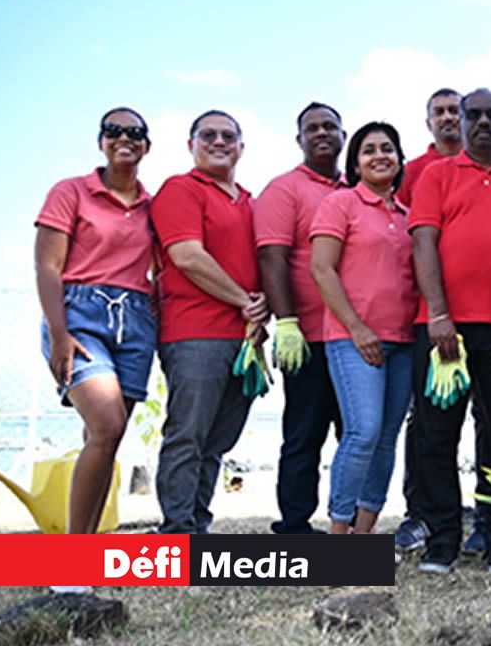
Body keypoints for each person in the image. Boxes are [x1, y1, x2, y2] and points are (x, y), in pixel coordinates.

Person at [410, 89, 491, 575]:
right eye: (474, 115)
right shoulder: (436, 175)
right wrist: (440, 315)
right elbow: (424, 244)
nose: (483, 122)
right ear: (460, 122)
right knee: (436, 435)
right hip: (445, 329)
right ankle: (442, 539)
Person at [35, 107, 157, 551]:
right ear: (101, 140)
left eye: (134, 132)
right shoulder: (71, 192)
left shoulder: (152, 206)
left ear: (146, 144)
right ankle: (72, 558)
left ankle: (85, 552)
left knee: (105, 438)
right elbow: (47, 265)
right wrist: (59, 332)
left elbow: (162, 271)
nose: (124, 138)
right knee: (107, 424)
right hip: (80, 316)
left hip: (136, 323)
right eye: (113, 131)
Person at [152, 110, 267, 534]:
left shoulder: (251, 201)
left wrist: (263, 305)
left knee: (218, 440)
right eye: (208, 135)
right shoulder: (180, 189)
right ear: (191, 144)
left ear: (241, 146)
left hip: (244, 340)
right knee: (188, 434)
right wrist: (243, 300)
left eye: (228, 136)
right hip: (195, 332)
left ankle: (197, 524)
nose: (219, 142)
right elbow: (187, 256)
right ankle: (177, 532)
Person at [310, 122, 416, 537]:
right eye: (369, 150)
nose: (379, 156)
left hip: (403, 341)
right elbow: (321, 269)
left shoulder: (408, 216)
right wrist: (357, 328)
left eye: (387, 148)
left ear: (399, 158)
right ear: (355, 163)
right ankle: (337, 539)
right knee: (363, 432)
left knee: (388, 438)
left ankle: (365, 535)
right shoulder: (341, 204)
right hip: (353, 338)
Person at [254, 103, 346, 535]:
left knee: (356, 435)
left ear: (344, 135)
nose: (322, 133)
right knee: (304, 434)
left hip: (355, 336)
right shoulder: (284, 189)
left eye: (330, 126)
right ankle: (294, 525)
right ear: (299, 140)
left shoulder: (358, 188)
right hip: (308, 335)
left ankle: (347, 526)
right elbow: (272, 257)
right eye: (313, 128)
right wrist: (286, 322)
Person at [394, 87, 462, 552]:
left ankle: (484, 516)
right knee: (427, 421)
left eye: (454, 110)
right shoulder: (414, 173)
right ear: (428, 123)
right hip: (425, 317)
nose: (449, 118)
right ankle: (421, 513)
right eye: (438, 112)